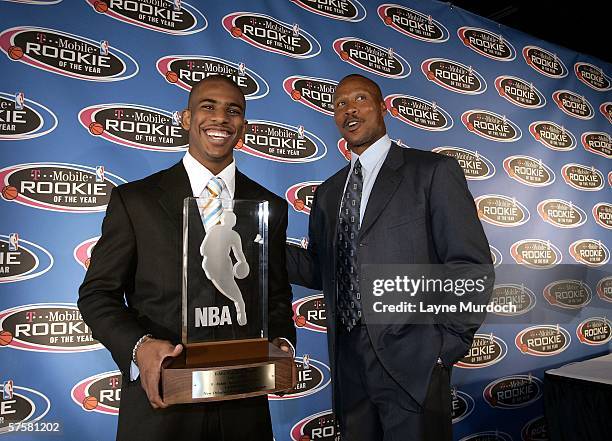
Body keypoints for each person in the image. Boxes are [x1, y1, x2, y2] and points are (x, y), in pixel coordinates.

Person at [79, 76, 295, 441]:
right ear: (186, 118)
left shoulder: (268, 206)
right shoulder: (136, 201)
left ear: (244, 126)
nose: (221, 118)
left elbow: (275, 294)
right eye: (208, 106)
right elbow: (97, 294)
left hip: (242, 409)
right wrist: (139, 348)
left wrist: (282, 344)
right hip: (162, 405)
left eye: (234, 111)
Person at [287, 74, 493, 441]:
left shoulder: (431, 172)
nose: (349, 109)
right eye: (339, 104)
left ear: (383, 108)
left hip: (414, 360)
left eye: (360, 99)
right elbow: (322, 270)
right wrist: (260, 244)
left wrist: (446, 347)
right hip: (348, 360)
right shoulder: (329, 192)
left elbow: (468, 263)